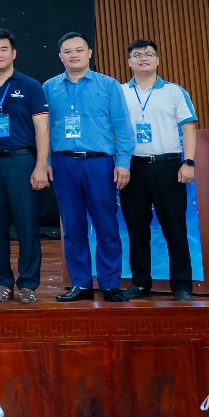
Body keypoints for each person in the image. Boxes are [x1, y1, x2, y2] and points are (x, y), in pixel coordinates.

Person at [43, 32, 135, 303]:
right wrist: (45, 162)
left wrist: (123, 163)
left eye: (79, 50)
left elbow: (123, 127)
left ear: (89, 53)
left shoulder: (108, 85)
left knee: (106, 225)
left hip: (99, 163)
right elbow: (43, 130)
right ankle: (81, 283)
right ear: (60, 56)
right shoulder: (49, 87)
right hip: (63, 163)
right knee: (72, 226)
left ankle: (110, 284)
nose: (74, 55)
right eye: (68, 51)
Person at [0, 29, 50, 304]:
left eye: (3, 49)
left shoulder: (31, 86)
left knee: (28, 226)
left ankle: (28, 284)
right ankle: (3, 283)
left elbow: (42, 129)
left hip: (23, 161)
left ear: (13, 53)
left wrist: (41, 166)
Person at [120, 39, 198, 302]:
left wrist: (189, 162)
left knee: (175, 228)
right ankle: (140, 284)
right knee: (136, 229)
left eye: (149, 54)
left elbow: (189, 128)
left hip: (168, 167)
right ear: (129, 62)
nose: (143, 58)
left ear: (157, 60)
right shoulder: (120, 92)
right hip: (133, 168)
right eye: (137, 55)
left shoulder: (174, 92)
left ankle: (182, 285)